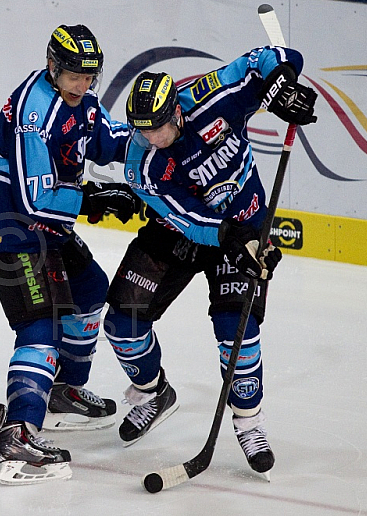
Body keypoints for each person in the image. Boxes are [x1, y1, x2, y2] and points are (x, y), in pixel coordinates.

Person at [104, 46, 317, 477]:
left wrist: (282, 84)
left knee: (236, 332)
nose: (154, 139)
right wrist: (234, 237)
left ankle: (249, 422)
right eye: (144, 131)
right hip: (184, 232)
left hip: (243, 221)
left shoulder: (208, 98)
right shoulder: (139, 160)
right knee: (121, 321)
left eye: (160, 128)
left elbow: (271, 56)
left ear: (176, 112)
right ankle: (152, 392)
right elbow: (187, 219)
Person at [0, 24, 141, 485]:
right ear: (53, 67)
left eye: (90, 76)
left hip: (44, 221)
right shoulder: (33, 110)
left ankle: (62, 391)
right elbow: (34, 197)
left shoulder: (81, 100)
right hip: (8, 223)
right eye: (75, 76)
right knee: (38, 323)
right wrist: (95, 199)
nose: (84, 85)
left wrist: (161, 137)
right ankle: (19, 433)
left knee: (89, 290)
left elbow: (108, 141)